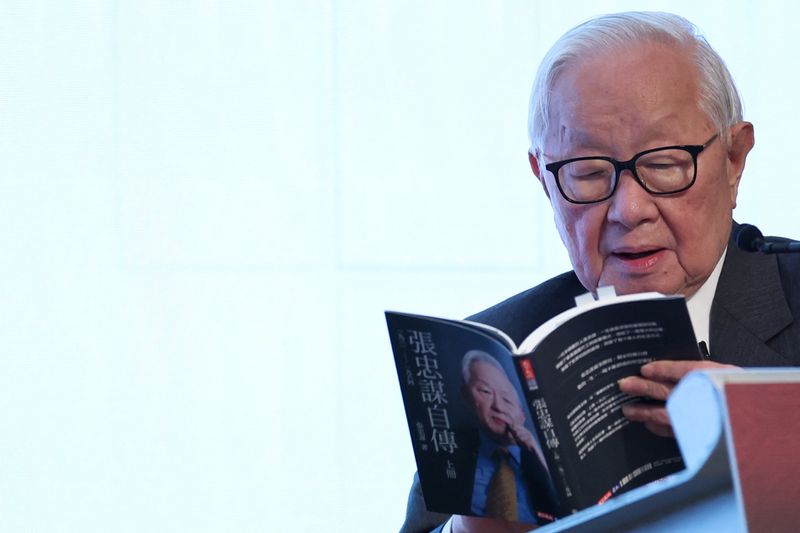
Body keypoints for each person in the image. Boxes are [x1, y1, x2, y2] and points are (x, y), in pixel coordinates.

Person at [400, 10, 800, 533]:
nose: (628, 209)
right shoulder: (491, 354)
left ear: (734, 157)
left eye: (663, 163)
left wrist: (772, 442)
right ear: (544, 179)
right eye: (588, 173)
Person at [459, 350, 558, 524]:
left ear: (522, 415)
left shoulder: (551, 460)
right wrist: (456, 527)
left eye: (507, 400)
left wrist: (543, 464)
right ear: (466, 395)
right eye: (485, 391)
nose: (498, 406)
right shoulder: (447, 457)